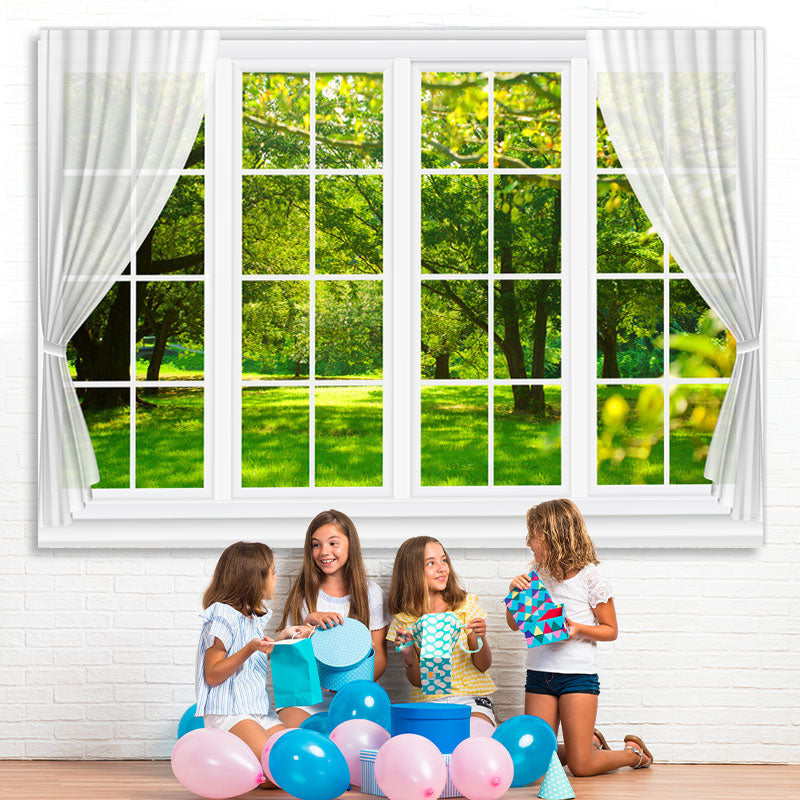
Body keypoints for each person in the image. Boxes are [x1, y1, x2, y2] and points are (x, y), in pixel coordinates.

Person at [507, 498, 653, 776]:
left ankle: (633, 755)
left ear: (553, 538)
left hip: (577, 677)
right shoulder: (536, 573)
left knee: (580, 766)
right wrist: (514, 592)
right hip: (539, 675)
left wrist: (577, 628)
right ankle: (590, 744)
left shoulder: (590, 578)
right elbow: (515, 625)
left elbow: (610, 630)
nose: (528, 542)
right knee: (536, 759)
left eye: (533, 536)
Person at [195, 541, 313, 780]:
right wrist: (250, 648)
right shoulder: (224, 615)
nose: (276, 578)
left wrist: (282, 638)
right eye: (273, 572)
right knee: (276, 771)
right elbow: (213, 674)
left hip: (257, 711)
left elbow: (253, 656)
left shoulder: (252, 617)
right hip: (230, 712)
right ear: (253, 578)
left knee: (296, 758)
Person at [277, 509, 390, 727]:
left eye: (333, 543)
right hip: (307, 697)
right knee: (293, 736)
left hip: (354, 695)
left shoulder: (371, 593)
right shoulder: (304, 594)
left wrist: (347, 686)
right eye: (316, 544)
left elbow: (380, 658)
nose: (323, 552)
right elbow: (290, 661)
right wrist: (307, 628)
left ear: (350, 545)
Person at [387, 536, 496, 726]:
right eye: (431, 563)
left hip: (471, 700)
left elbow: (483, 665)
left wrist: (479, 638)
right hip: (429, 702)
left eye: (443, 560)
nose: (441, 568)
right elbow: (418, 682)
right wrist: (408, 655)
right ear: (412, 572)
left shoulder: (465, 606)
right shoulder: (405, 620)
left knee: (475, 736)